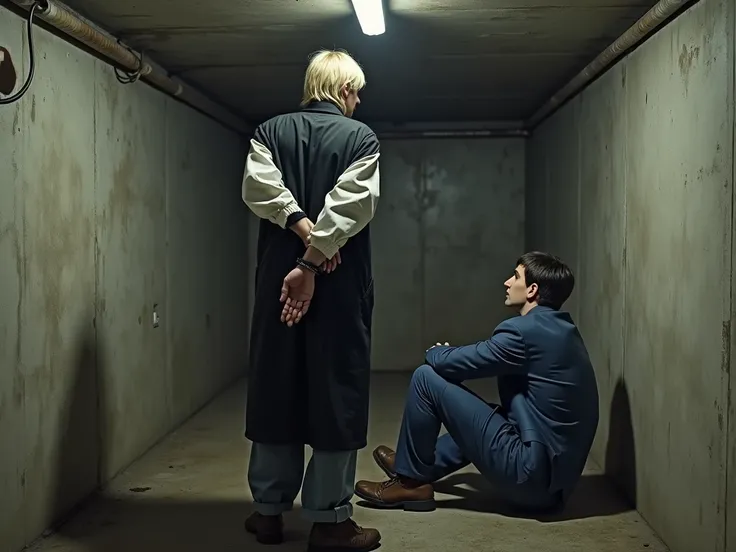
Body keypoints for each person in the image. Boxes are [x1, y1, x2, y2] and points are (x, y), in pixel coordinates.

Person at [240, 49, 382, 552]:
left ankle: (269, 512)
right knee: (335, 389)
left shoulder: (268, 131)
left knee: (276, 381)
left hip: (280, 279)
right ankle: (331, 521)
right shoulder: (359, 138)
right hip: (338, 288)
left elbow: (261, 189)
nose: (358, 100)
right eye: (356, 90)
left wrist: (299, 240)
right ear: (342, 89)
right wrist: (317, 255)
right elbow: (353, 205)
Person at [354, 252, 599, 514]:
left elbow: (455, 363)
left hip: (530, 478)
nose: (506, 282)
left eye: (515, 276)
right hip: (553, 484)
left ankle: (410, 481)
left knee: (426, 378)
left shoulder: (523, 332)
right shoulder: (562, 330)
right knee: (492, 413)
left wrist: (437, 352)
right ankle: (416, 463)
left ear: (532, 290)